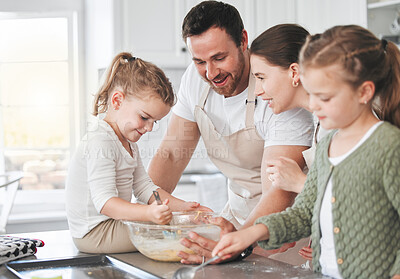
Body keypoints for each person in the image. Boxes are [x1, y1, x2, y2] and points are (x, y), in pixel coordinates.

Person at [212, 24, 400, 279]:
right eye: (313, 94)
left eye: (324, 97)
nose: (312, 105)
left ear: (364, 92)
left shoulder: (388, 146)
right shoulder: (329, 145)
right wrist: (250, 234)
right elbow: (303, 212)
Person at [147, 1, 314, 264]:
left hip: (280, 231)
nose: (210, 72)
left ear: (243, 40)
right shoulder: (195, 78)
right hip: (235, 219)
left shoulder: (280, 96)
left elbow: (279, 191)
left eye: (219, 58)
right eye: (200, 61)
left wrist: (241, 243)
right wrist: (146, 216)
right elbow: (170, 154)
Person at [66, 52, 206, 254]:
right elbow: (105, 203)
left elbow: (145, 188)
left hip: (110, 225)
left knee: (180, 223)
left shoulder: (128, 144)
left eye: (154, 122)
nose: (149, 128)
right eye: (144, 117)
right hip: (94, 233)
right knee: (174, 231)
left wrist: (183, 208)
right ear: (117, 101)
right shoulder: (101, 141)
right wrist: (149, 213)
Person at [250, 23, 331, 263]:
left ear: (294, 73)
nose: (257, 90)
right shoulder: (320, 123)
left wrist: (298, 181)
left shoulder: (337, 125)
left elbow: (360, 202)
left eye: (262, 77)